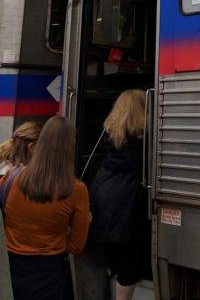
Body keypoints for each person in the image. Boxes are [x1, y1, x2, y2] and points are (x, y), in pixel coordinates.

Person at [0, 115, 90, 300]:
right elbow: (76, 246)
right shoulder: (77, 190)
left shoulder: (8, 180)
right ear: (69, 148)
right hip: (50, 270)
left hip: (10, 267)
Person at [89, 89, 151, 300]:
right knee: (130, 268)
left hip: (104, 200)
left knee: (118, 263)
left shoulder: (111, 137)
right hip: (126, 209)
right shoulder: (142, 142)